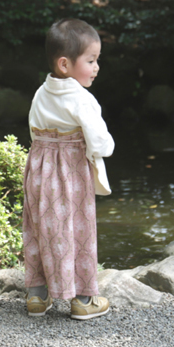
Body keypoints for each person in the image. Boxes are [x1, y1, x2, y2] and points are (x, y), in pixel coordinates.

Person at [23, 18, 115, 320]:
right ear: (65, 64)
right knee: (77, 230)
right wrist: (104, 148)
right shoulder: (81, 99)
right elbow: (101, 142)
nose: (97, 67)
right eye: (91, 60)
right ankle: (84, 299)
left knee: (42, 228)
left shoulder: (41, 92)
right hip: (70, 172)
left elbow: (34, 130)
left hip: (39, 170)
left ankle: (38, 295)